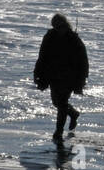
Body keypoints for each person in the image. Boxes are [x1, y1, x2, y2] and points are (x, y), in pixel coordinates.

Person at [33, 13, 89, 142]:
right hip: (53, 75)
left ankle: (58, 132)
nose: (58, 29)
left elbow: (83, 61)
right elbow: (42, 57)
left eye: (60, 26)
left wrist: (81, 80)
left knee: (62, 103)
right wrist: (37, 74)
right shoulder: (49, 36)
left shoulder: (74, 39)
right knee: (56, 102)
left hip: (69, 77)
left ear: (65, 25)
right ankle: (73, 114)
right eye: (56, 26)